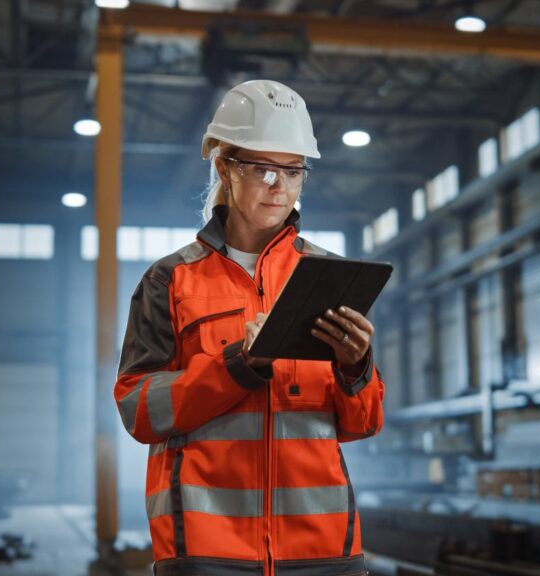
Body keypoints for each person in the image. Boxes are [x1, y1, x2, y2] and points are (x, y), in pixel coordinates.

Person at [114, 79, 385, 576]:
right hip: (207, 546)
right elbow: (138, 409)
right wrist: (238, 365)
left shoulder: (327, 277)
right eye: (261, 168)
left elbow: (361, 423)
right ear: (224, 168)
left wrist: (356, 368)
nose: (277, 185)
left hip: (322, 549)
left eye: (292, 170)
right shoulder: (170, 280)